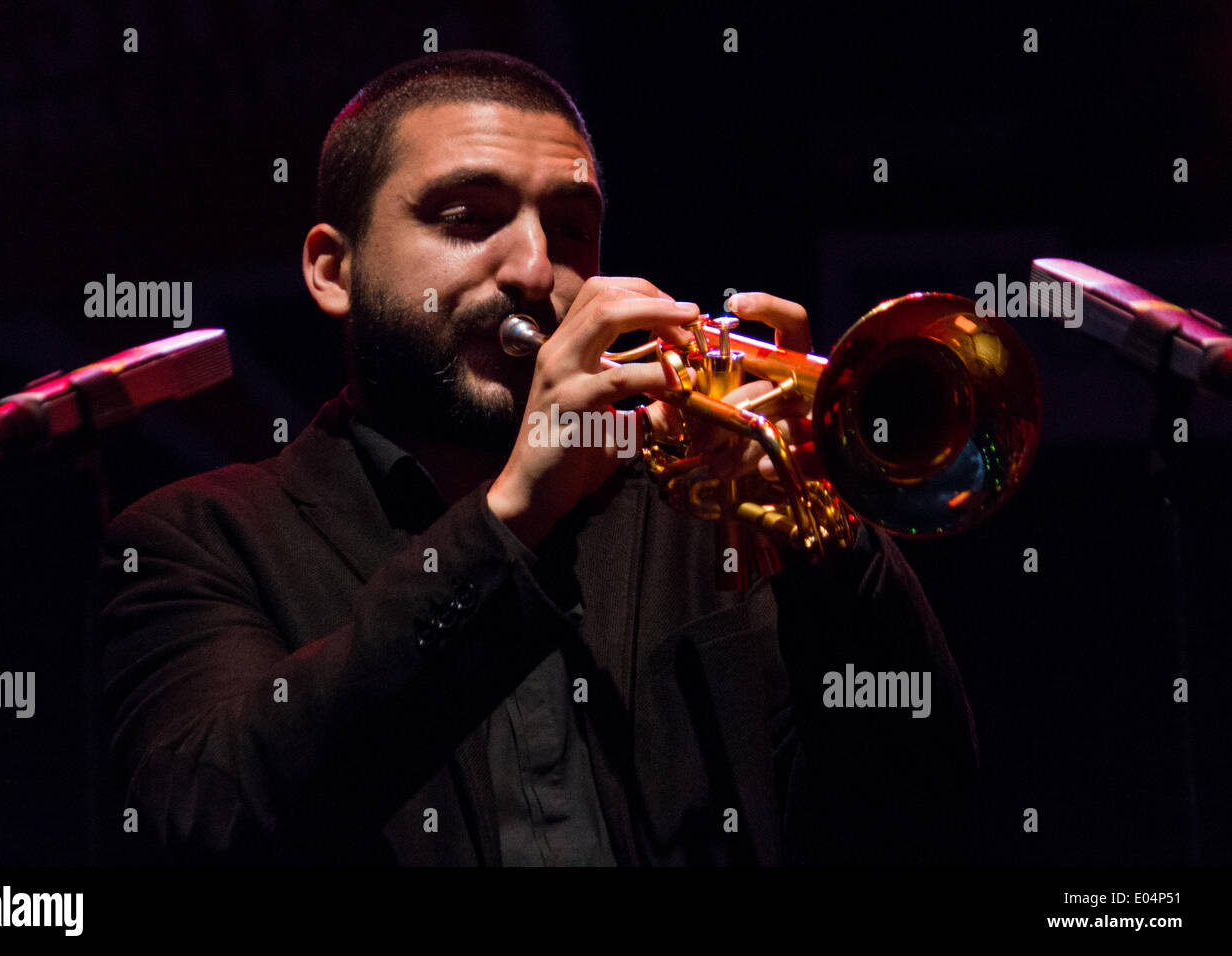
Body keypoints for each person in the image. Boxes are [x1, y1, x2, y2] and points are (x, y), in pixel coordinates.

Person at [98, 49, 978, 866]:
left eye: (570, 229)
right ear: (334, 269)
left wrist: (827, 535)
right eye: (466, 219)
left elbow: (926, 813)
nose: (532, 269)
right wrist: (510, 519)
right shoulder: (201, 538)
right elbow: (207, 821)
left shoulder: (702, 514)